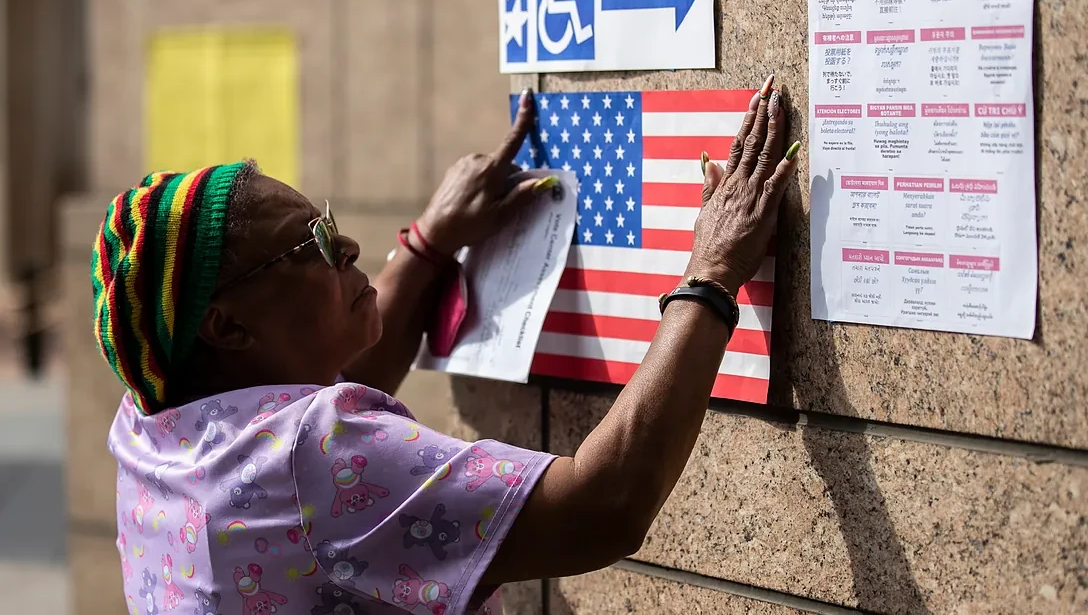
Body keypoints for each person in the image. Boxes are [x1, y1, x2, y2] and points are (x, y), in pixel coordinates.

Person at [96, 77, 798, 615]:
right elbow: (604, 506)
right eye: (310, 244)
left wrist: (429, 244)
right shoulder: (312, 454)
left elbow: (315, 436)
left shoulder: (152, 424)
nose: (347, 245)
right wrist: (709, 275)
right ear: (227, 327)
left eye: (327, 221)